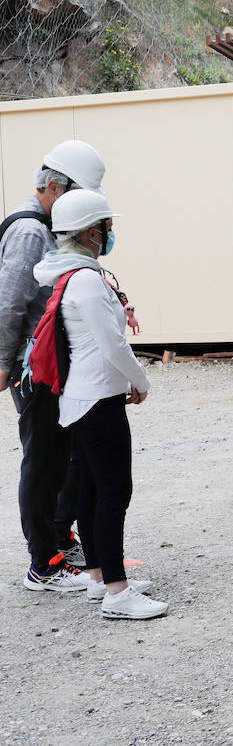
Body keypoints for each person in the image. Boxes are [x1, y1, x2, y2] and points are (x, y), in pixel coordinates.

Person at [34, 191, 163, 618]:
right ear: (92, 232)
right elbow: (112, 342)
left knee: (90, 491)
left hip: (83, 398)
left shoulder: (72, 274)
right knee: (113, 493)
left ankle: (98, 576)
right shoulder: (87, 280)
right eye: (108, 227)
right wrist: (141, 380)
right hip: (98, 400)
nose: (111, 234)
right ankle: (117, 593)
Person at [4, 141, 106, 592]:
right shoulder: (30, 232)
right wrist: (3, 362)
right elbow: (10, 303)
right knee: (43, 462)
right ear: (51, 186)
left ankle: (60, 542)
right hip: (34, 367)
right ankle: (42, 565)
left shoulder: (49, 227)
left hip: (52, 364)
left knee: (64, 459)